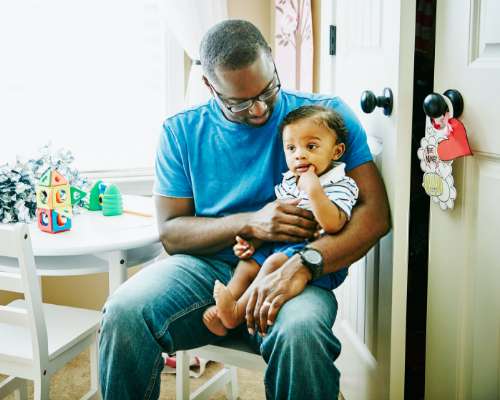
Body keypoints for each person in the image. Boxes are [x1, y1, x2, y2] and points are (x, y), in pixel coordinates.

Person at [98, 19, 390, 400]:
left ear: (272, 60)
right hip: (207, 271)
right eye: (239, 102)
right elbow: (171, 231)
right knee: (124, 312)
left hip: (293, 268)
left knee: (301, 334)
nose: (259, 111)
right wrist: (252, 222)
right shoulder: (181, 132)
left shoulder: (325, 118)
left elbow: (375, 214)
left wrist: (305, 265)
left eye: (268, 91)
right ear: (209, 86)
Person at [203, 105, 359, 336]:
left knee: (274, 262)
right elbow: (276, 224)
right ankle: (225, 308)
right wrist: (252, 243)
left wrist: (314, 190)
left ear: (336, 151)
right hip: (281, 244)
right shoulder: (289, 181)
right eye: (291, 148)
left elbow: (333, 224)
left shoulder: (340, 184)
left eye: (311, 146)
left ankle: (236, 313)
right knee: (248, 264)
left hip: (315, 256)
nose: (300, 154)